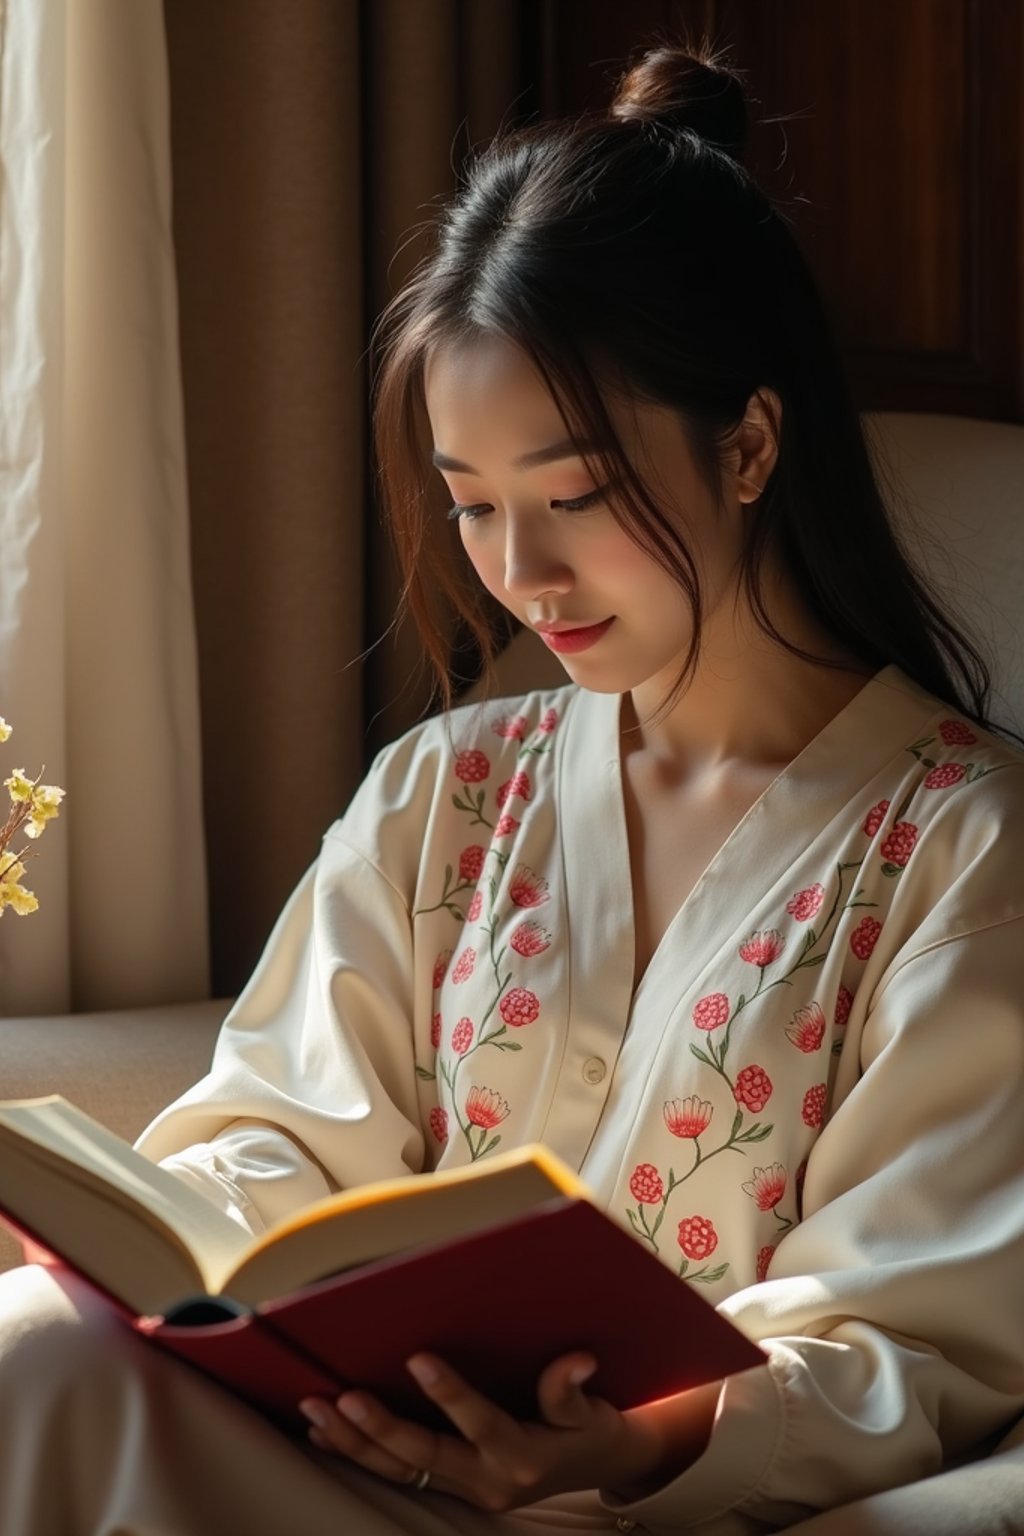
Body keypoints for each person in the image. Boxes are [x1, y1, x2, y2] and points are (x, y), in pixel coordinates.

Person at [2, 41, 1024, 1536]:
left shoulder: (961, 851)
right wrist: (144, 1251)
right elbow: (280, 1133)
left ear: (746, 444)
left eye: (574, 496)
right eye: (472, 505)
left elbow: (917, 1332)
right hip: (350, 1466)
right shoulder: (442, 793)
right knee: (41, 1352)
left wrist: (635, 1447)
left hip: (646, 1514)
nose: (518, 575)